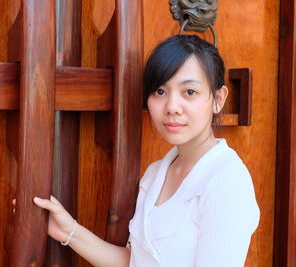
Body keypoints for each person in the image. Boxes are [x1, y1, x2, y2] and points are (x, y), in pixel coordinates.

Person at [34, 35, 260, 267]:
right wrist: (68, 230)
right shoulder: (155, 174)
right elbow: (135, 262)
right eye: (160, 92)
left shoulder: (226, 182)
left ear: (218, 99)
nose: (172, 107)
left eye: (189, 92)